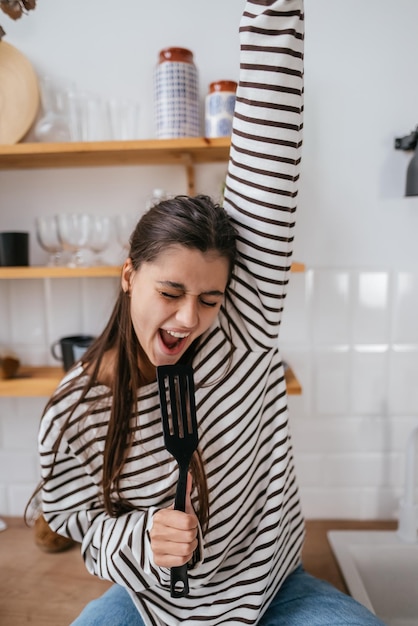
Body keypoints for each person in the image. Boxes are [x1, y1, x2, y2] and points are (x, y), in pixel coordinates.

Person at [32, 1, 386, 625]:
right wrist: (140, 539)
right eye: (170, 294)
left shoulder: (241, 335)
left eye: (209, 299)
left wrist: (273, 11)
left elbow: (266, 168)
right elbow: (73, 519)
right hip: (150, 602)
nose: (190, 320)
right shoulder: (74, 409)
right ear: (128, 275)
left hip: (275, 594)